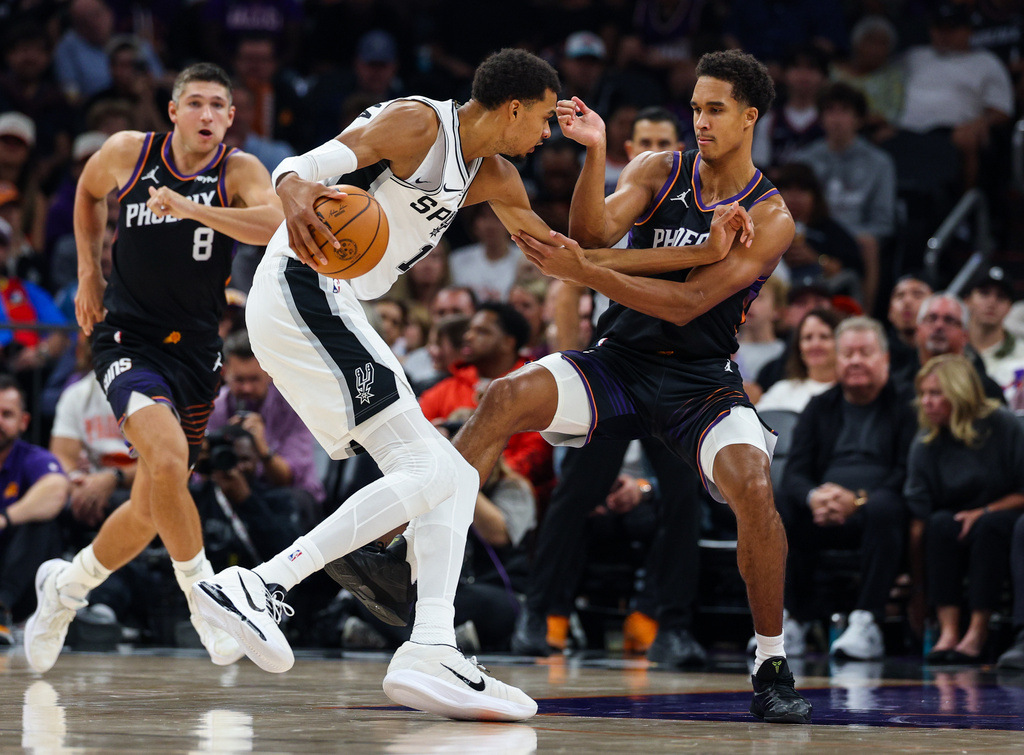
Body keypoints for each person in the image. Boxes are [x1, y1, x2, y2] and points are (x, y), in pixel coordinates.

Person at [338, 49, 810, 722]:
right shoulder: (658, 168)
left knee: (756, 489)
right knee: (501, 398)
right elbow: (589, 231)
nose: (700, 121)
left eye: (715, 110)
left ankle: (769, 660)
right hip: (618, 360)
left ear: (749, 117)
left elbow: (687, 300)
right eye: (696, 107)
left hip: (699, 380)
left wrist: (587, 272)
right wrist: (593, 154)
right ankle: (404, 554)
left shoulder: (770, 215)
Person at [191, 48, 564, 723]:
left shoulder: (496, 177)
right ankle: (260, 581)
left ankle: (432, 645)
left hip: (330, 305)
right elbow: (299, 167)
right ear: (514, 107)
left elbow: (569, 254)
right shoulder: (419, 124)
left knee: (451, 475)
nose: (546, 134)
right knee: (434, 467)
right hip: (303, 288)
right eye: (543, 119)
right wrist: (297, 192)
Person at [22, 62, 284, 674]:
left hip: (195, 350)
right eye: (195, 103)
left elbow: (275, 224)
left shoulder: (239, 170)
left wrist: (192, 211)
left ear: (231, 116)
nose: (208, 116)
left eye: (219, 105)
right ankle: (206, 601)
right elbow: (88, 193)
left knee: (151, 506)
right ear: (173, 111)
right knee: (166, 462)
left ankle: (64, 589)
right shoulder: (129, 155)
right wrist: (88, 271)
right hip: (126, 338)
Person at [780, 317, 915, 660]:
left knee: (887, 507)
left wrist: (858, 501)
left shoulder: (905, 406)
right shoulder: (819, 406)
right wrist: (815, 497)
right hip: (823, 510)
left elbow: (907, 471)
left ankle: (867, 621)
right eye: (848, 354)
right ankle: (793, 620)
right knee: (783, 505)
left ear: (885, 359)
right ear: (836, 360)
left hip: (876, 510)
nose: (855, 361)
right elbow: (795, 472)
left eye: (865, 353)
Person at [906, 354, 1024, 664]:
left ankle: (978, 631)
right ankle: (948, 631)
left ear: (959, 392)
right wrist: (918, 591)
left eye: (935, 393)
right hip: (952, 519)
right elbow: (919, 517)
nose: (926, 402)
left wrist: (984, 511)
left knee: (990, 527)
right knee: (940, 526)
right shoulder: (925, 442)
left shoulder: (1004, 425)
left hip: (1004, 513)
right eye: (923, 394)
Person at [206, 329, 325, 523]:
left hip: (289, 498)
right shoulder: (215, 407)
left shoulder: (292, 404)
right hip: (232, 494)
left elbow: (288, 478)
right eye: (239, 380)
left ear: (269, 373)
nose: (247, 388)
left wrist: (261, 448)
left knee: (289, 502)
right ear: (225, 373)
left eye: (254, 379)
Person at [0, 375, 69, 643]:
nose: (0, 422)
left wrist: (5, 518)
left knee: (40, 523)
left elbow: (56, 489)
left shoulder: (33, 457)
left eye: (7, 414)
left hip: (22, 581)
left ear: (23, 421)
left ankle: (1, 609)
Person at [755, 308, 840, 413]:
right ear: (799, 347)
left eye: (824, 337)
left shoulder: (850, 394)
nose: (815, 344)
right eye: (808, 338)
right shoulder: (782, 391)